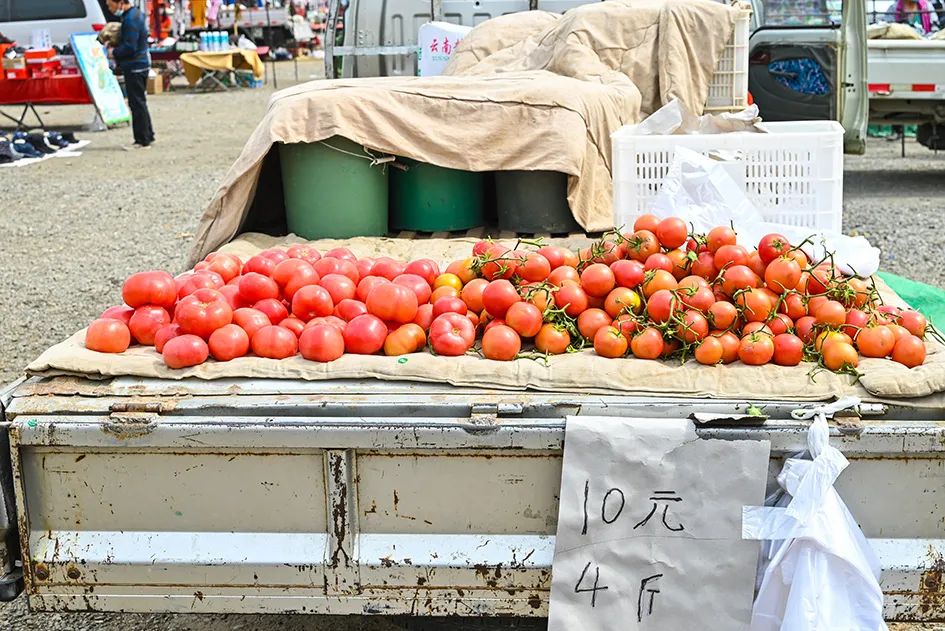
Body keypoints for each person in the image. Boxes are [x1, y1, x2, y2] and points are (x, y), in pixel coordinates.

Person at [107, 0, 155, 149]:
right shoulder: (136, 14)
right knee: (140, 101)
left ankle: (141, 139)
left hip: (134, 65)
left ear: (120, 2)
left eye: (111, 5)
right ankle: (148, 134)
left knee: (136, 103)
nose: (110, 9)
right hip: (140, 64)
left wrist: (113, 52)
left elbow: (130, 46)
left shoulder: (130, 19)